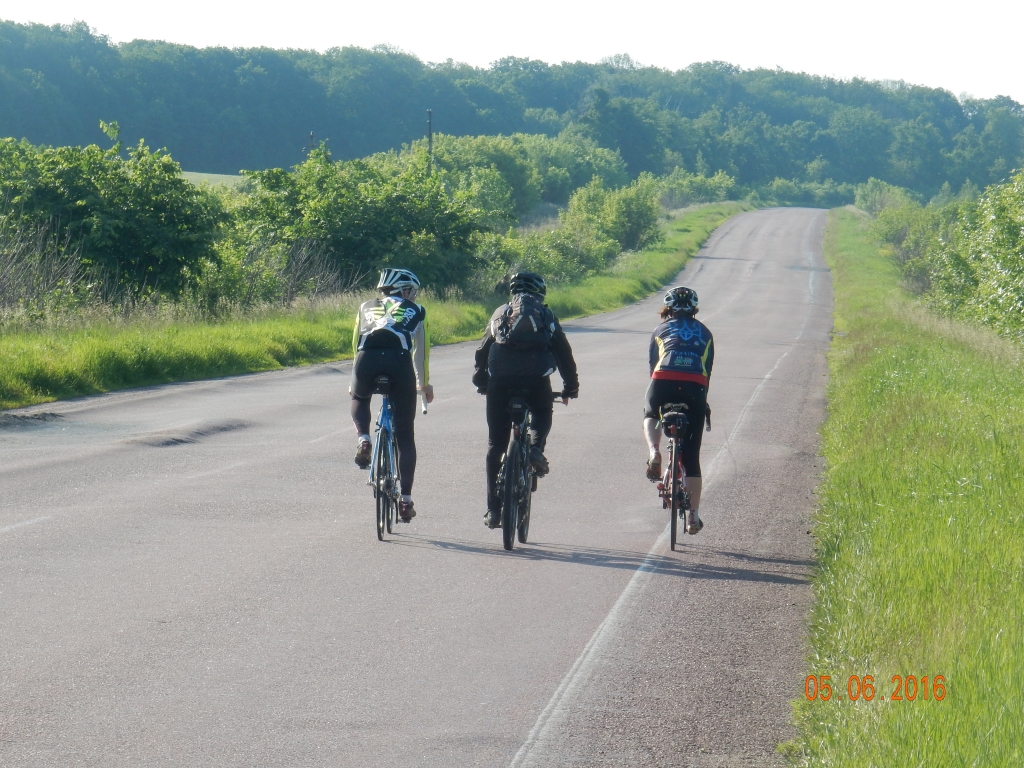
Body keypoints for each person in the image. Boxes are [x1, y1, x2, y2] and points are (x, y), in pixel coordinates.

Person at [473, 271, 579, 529]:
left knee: (495, 445)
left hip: (500, 380)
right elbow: (563, 353)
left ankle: (493, 511)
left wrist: (481, 380)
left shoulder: (501, 313)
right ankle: (534, 449)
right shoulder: (546, 315)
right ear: (541, 293)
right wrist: (570, 386)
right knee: (541, 412)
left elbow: (483, 349)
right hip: (535, 379)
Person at [350, 268, 434, 521]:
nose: (414, 296)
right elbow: (421, 352)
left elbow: (356, 344)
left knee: (360, 398)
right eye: (412, 291)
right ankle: (405, 500)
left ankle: (364, 438)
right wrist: (424, 384)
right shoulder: (417, 310)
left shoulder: (365, 306)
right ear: (403, 291)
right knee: (405, 434)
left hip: (366, 360)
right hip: (399, 361)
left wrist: (354, 381)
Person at [643, 286, 713, 535]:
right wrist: (702, 401)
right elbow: (707, 370)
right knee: (692, 457)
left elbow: (652, 365)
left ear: (667, 308)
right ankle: (693, 516)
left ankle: (654, 451)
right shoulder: (705, 332)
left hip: (663, 379)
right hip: (695, 385)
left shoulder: (660, 330)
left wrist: (659, 393)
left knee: (651, 413)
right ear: (694, 309)